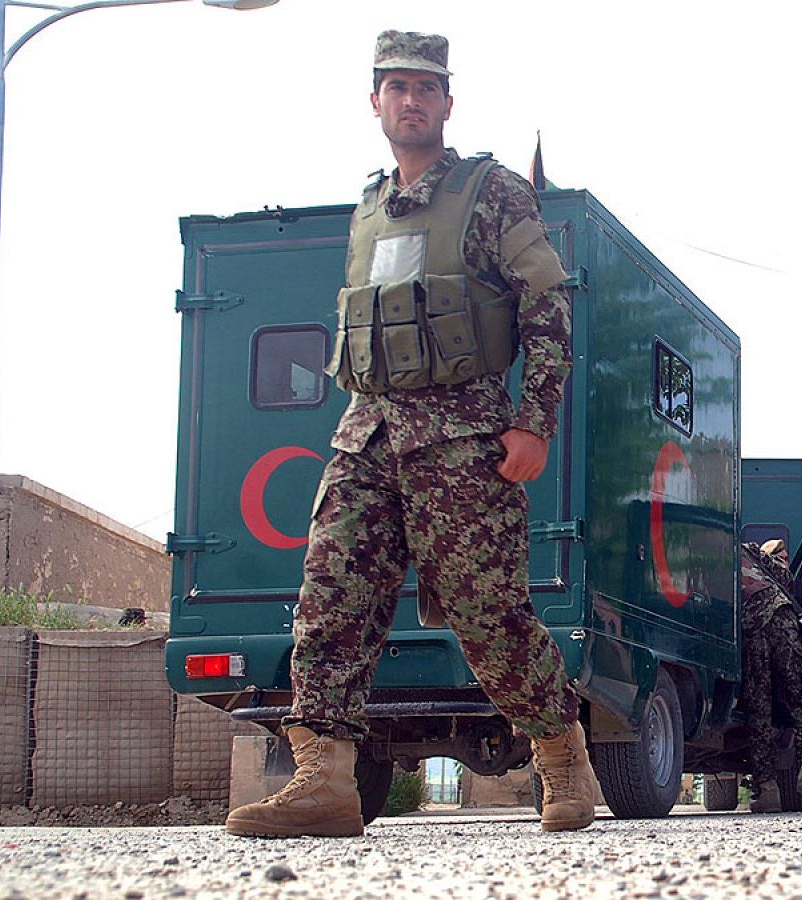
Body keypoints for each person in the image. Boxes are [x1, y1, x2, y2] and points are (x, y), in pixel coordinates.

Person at [226, 31, 593, 838]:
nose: (411, 100)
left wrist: (534, 423)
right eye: (396, 87)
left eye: (426, 87)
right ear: (375, 103)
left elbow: (548, 307)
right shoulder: (366, 208)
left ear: (447, 102)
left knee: (486, 613)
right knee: (328, 604)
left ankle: (561, 750)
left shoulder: (494, 192)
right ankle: (323, 779)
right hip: (366, 438)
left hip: (463, 436)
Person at [738, 542, 802, 813]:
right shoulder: (748, 550)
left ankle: (768, 789)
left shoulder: (709, 552)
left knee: (758, 708)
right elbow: (786, 580)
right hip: (780, 618)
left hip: (747, 630)